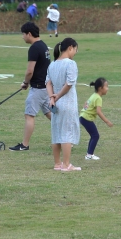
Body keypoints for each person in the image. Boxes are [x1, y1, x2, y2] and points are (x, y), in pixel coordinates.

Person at [9, 22, 52, 152]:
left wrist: (25, 82)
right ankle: (66, 138)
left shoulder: (34, 48)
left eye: (23, 34)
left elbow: (29, 71)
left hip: (38, 88)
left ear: (29, 34)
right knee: (51, 114)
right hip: (46, 87)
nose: (22, 37)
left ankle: (24, 145)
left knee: (29, 115)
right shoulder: (43, 45)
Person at [46, 38, 81, 172]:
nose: (75, 53)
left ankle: (57, 163)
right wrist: (58, 95)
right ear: (70, 48)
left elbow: (48, 83)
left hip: (55, 103)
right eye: (75, 50)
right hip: (67, 102)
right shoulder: (70, 64)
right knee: (67, 133)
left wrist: (52, 98)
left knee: (56, 133)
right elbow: (69, 83)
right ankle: (66, 164)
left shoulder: (52, 64)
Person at [79, 77, 113, 160]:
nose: (107, 89)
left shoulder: (94, 95)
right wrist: (107, 121)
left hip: (83, 117)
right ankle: (89, 155)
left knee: (93, 135)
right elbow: (99, 111)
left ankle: (89, 154)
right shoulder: (98, 98)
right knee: (95, 135)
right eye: (106, 86)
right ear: (100, 88)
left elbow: (86, 103)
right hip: (86, 118)